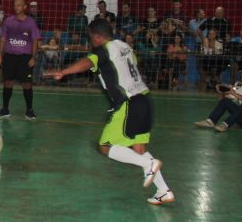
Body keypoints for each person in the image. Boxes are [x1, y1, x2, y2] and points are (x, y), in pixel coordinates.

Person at [47, 19, 174, 206]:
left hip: (129, 103)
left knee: (105, 146)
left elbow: (88, 61)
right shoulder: (124, 46)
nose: (91, 41)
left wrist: (64, 72)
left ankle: (149, 164)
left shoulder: (103, 50)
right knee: (138, 149)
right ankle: (163, 190)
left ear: (98, 37)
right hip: (145, 99)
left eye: (91, 37)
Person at [0, 0, 41, 120]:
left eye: (19, 5)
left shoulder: (31, 22)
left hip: (25, 58)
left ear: (25, 7)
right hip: (9, 57)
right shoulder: (8, 21)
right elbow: (3, 39)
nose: (16, 7)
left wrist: (33, 57)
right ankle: (5, 109)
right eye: (15, 5)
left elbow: (35, 40)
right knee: (7, 82)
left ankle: (29, 110)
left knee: (27, 84)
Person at [194, 68, 242, 132]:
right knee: (226, 100)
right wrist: (221, 92)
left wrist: (235, 94)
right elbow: (223, 101)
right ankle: (211, 121)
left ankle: (225, 124)